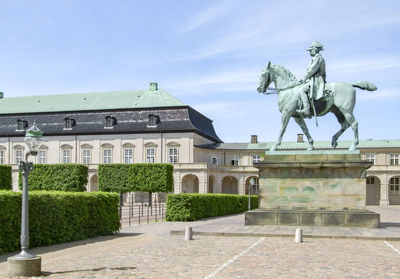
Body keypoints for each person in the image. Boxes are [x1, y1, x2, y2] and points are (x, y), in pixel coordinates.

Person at [296, 41, 326, 117]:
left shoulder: (318, 58)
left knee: (301, 90)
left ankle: (306, 109)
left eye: (310, 50)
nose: (310, 52)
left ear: (315, 49)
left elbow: (311, 70)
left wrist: (303, 79)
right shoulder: (316, 58)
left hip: (317, 79)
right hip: (313, 79)